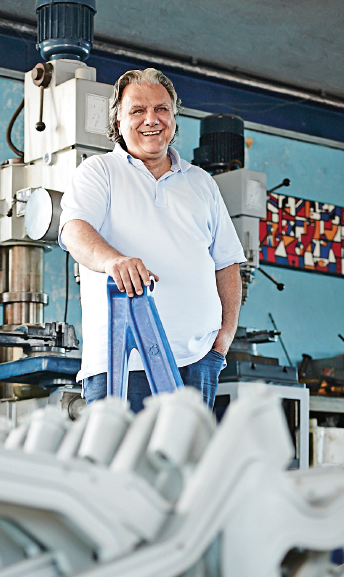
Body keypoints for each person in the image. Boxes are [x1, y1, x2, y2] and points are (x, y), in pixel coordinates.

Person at [59, 68, 245, 413]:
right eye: (137, 111)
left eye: (161, 109)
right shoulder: (99, 171)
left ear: (174, 117)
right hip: (123, 364)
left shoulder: (201, 183)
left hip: (197, 362)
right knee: (119, 465)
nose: (152, 120)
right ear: (118, 122)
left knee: (188, 467)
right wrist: (113, 260)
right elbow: (74, 229)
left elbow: (227, 262)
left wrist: (223, 340)